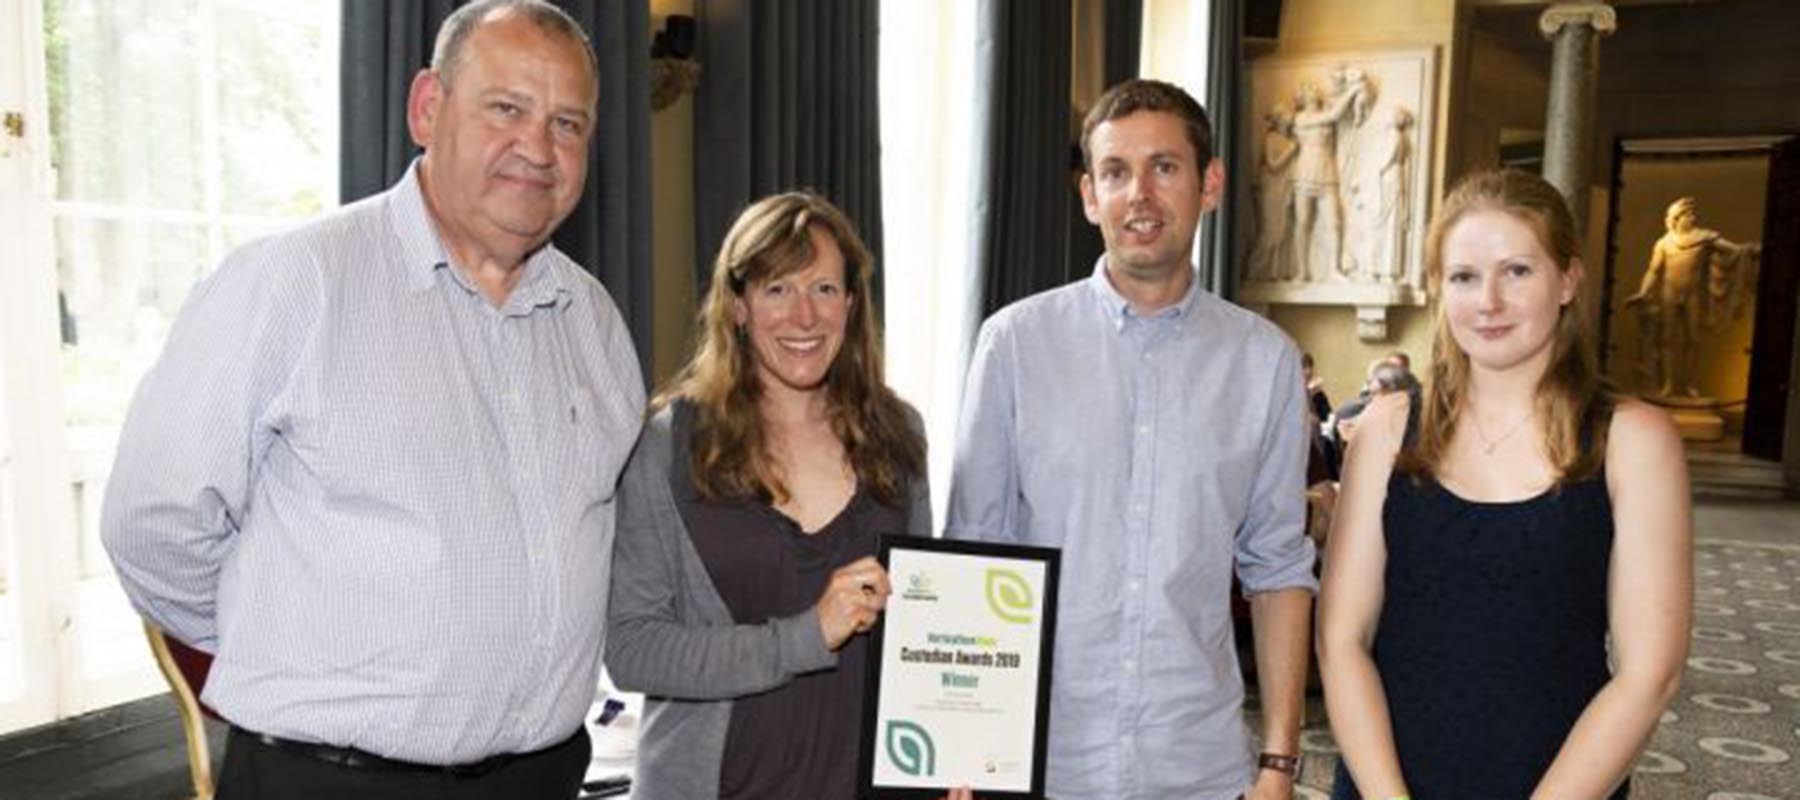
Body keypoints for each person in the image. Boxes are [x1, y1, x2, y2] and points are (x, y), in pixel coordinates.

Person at [100, 2, 645, 797]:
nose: (537, 148)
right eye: (506, 109)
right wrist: (283, 646)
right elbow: (151, 524)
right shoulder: (293, 284)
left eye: (568, 124)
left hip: (543, 777)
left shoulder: (593, 320)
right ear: (428, 107)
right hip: (332, 780)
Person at [948, 78, 1317, 800]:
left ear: (1209, 184)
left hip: (1199, 766)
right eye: (1116, 172)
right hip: (1039, 764)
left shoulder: (1265, 361)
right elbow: (972, 553)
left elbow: (1276, 569)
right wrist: (963, 753)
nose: (1139, 195)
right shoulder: (1014, 345)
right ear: (1090, 195)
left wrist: (1278, 763)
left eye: (1165, 167)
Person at [1318, 169, 1691, 799]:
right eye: (1464, 276)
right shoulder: (1386, 430)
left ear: (1568, 280)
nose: (1487, 301)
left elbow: (1650, 672)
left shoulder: (1633, 439)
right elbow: (1341, 640)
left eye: (1517, 271)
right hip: (1389, 778)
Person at [604, 193, 966, 800]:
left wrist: (954, 753)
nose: (804, 316)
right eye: (777, 289)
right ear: (739, 305)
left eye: (824, 289)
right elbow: (633, 649)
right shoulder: (669, 444)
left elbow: (918, 633)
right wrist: (805, 636)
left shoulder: (899, 437)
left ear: (851, 303)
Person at [1625, 196, 1761, 398]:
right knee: (1666, 340)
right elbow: (1653, 271)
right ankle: (1668, 384)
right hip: (1669, 294)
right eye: (1687, 214)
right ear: (1676, 218)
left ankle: (1690, 384)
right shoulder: (1664, 243)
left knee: (1693, 339)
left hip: (1693, 296)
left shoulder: (1704, 238)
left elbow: (1734, 251)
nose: (1692, 217)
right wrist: (1643, 293)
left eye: (1692, 214)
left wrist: (1750, 250)